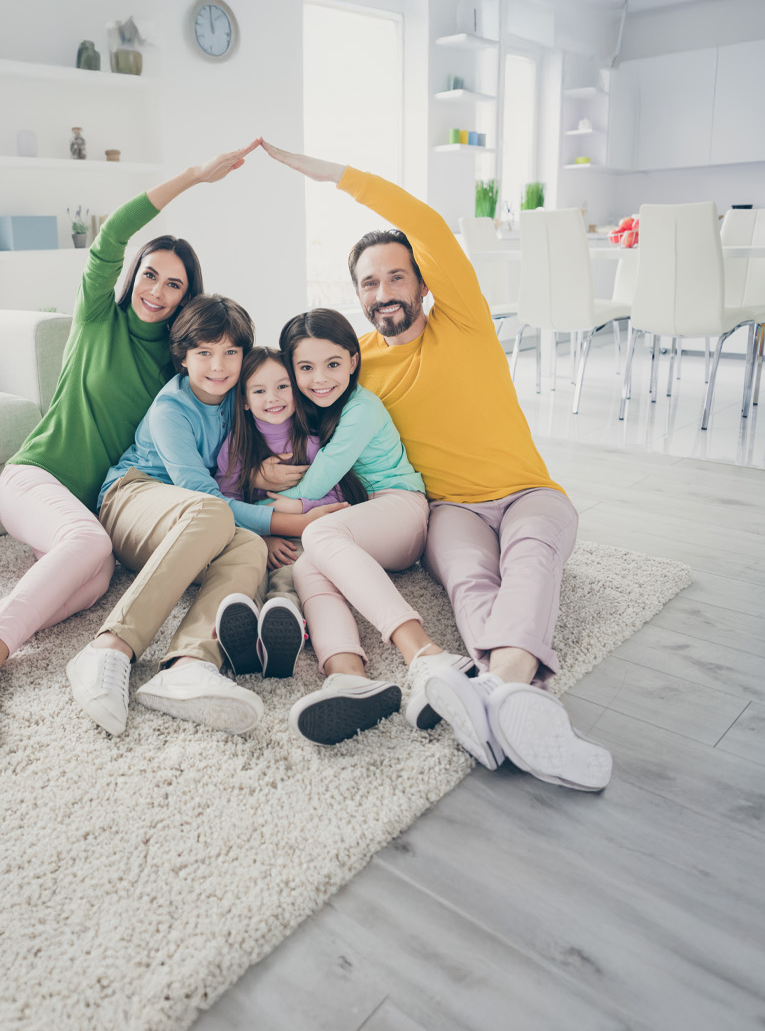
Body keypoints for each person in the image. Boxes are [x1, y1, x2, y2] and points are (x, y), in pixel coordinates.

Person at [0, 143, 257, 740]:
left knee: (92, 578)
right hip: (35, 477)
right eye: (149, 274)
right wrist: (192, 177)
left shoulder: (180, 364)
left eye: (173, 285)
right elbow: (111, 237)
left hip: (91, 509)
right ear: (133, 276)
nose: (156, 290)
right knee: (87, 544)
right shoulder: (98, 316)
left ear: (188, 298)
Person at [260, 138, 612, 790]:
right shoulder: (356, 364)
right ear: (358, 294)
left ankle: (507, 687)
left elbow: (422, 222)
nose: (385, 291)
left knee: (531, 559)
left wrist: (332, 172)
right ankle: (500, 690)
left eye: (397, 276)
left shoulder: (464, 321)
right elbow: (298, 409)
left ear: (423, 282)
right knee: (468, 581)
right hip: (449, 511)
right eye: (370, 282)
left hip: (529, 491)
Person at [66, 295, 347, 738]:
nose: (219, 365)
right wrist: (296, 524)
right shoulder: (171, 410)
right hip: (134, 498)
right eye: (204, 353)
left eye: (230, 352)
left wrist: (259, 477)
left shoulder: (241, 393)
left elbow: (237, 465)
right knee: (216, 511)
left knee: (251, 548)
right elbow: (203, 494)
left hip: (200, 520)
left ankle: (189, 664)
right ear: (182, 357)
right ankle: (110, 647)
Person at [268, 308, 471, 745]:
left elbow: (320, 477)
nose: (320, 378)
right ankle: (349, 677)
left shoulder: (362, 408)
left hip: (403, 511)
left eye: (333, 364)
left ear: (353, 362)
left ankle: (425, 653)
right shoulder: (309, 408)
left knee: (317, 535)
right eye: (305, 368)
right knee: (307, 568)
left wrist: (269, 507)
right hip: (365, 521)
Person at [212, 344, 345, 679]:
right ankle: (241, 629)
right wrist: (266, 534)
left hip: (300, 535)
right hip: (255, 536)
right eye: (259, 390)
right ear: (243, 400)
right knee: (248, 568)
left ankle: (284, 618)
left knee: (291, 571)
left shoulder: (312, 442)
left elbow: (336, 496)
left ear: (296, 390)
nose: (273, 397)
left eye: (282, 386)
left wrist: (300, 513)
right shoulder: (235, 445)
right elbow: (226, 502)